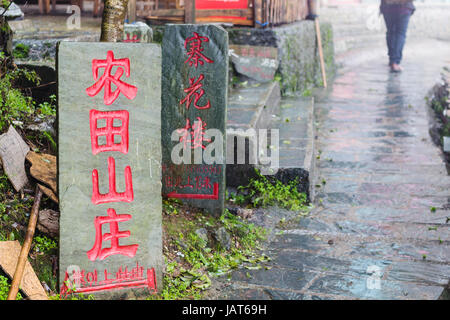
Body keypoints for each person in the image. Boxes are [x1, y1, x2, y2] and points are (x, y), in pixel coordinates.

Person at [380, 0, 415, 72]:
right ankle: (395, 62)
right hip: (404, 8)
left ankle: (392, 60)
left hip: (388, 7)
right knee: (400, 34)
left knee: (391, 32)